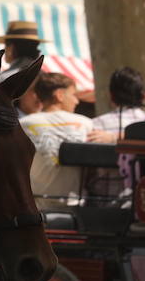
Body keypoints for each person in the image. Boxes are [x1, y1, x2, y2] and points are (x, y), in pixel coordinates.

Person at [20, 72, 93, 207]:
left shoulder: (22, 125)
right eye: (73, 95)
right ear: (59, 95)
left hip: (35, 207)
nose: (76, 101)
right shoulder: (86, 124)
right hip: (77, 208)